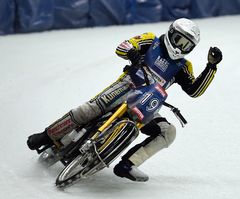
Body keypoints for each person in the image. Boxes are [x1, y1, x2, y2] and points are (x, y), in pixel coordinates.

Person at [27, 18, 222, 182]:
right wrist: (132, 53)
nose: (180, 47)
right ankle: (46, 136)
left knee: (168, 132)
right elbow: (123, 46)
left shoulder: (183, 66)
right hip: (126, 87)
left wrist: (211, 67)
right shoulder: (151, 40)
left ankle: (128, 165)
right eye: (179, 40)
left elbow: (194, 91)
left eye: (186, 45)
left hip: (148, 102)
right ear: (171, 33)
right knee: (90, 109)